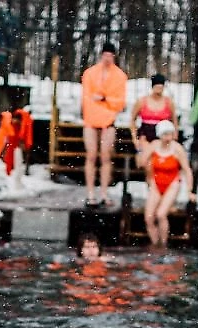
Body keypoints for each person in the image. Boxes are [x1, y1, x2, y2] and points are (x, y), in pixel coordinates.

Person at [81, 43, 128, 208]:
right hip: (92, 119)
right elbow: (87, 98)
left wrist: (104, 100)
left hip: (108, 121)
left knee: (106, 157)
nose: (107, 58)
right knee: (91, 155)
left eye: (110, 55)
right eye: (105, 55)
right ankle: (90, 193)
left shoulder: (120, 76)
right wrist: (104, 103)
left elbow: (120, 102)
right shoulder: (90, 74)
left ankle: (104, 192)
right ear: (101, 55)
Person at [138, 119, 195, 248]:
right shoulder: (154, 145)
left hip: (172, 183)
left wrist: (189, 190)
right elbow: (141, 162)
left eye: (170, 134)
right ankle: (154, 243)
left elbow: (187, 169)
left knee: (161, 214)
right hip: (156, 182)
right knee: (148, 217)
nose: (168, 138)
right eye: (165, 134)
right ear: (160, 135)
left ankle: (163, 245)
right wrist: (142, 148)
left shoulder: (177, 149)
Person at [130, 73, 177, 150]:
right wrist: (134, 138)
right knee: (145, 155)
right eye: (157, 88)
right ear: (152, 87)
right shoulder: (142, 101)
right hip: (145, 133)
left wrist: (174, 136)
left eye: (161, 88)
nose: (159, 91)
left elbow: (174, 120)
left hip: (163, 133)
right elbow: (132, 120)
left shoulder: (169, 102)